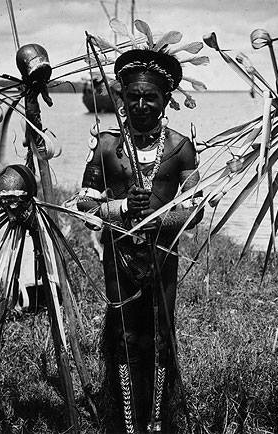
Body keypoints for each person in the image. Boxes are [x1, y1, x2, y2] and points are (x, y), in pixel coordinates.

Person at [76, 47, 203, 433]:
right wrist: (120, 208)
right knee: (126, 335)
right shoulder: (105, 147)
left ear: (166, 100)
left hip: (163, 258)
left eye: (151, 97)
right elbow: (85, 207)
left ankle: (160, 423)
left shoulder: (180, 147)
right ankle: (125, 424)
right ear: (122, 99)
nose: (142, 104)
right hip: (119, 260)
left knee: (162, 335)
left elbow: (195, 212)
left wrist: (158, 217)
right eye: (134, 97)